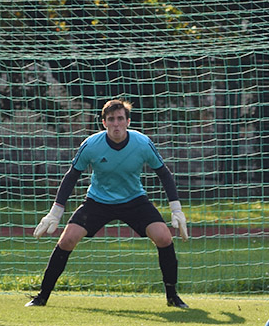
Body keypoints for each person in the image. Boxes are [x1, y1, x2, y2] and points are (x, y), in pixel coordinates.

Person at [27, 99, 190, 308]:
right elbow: (71, 176)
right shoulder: (91, 145)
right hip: (98, 201)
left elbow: (164, 174)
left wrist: (176, 210)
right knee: (67, 239)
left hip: (134, 200)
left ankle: (172, 297)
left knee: (164, 237)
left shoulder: (142, 143)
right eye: (111, 119)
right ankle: (42, 296)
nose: (116, 124)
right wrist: (55, 213)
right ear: (104, 123)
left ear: (128, 121)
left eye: (120, 119)